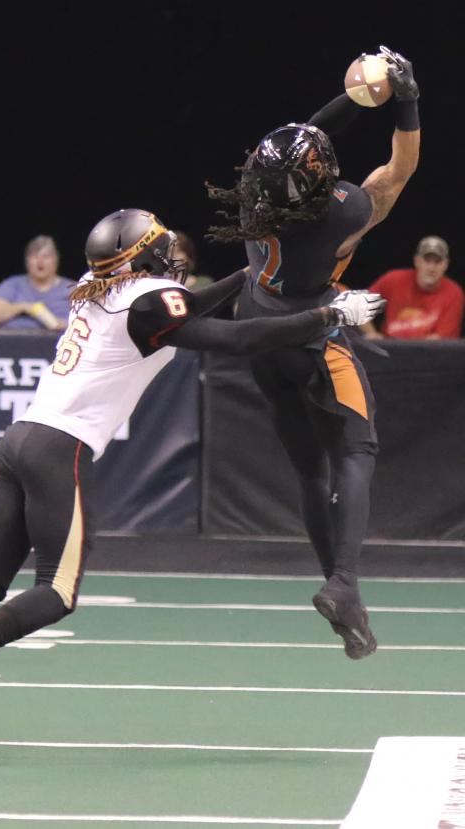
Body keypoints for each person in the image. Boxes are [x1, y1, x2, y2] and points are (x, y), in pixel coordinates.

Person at [0, 208, 383, 759]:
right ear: (143, 260)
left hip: (21, 437)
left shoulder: (97, 286)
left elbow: (185, 312)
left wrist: (248, 275)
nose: (171, 255)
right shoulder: (150, 302)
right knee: (57, 592)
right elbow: (234, 338)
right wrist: (329, 315)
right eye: (160, 246)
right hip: (59, 448)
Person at [206, 46, 420, 659]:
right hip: (311, 334)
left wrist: (353, 100)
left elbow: (296, 143)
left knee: (308, 468)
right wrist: (404, 100)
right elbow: (399, 169)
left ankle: (336, 584)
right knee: (357, 447)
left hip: (258, 330)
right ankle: (345, 583)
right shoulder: (342, 211)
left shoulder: (255, 193)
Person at [362, 236, 464, 340]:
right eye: (427, 261)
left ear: (446, 264)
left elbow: (440, 343)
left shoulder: (454, 293)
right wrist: (372, 334)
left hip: (429, 353)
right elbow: (359, 305)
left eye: (437, 262)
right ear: (417, 261)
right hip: (389, 349)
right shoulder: (393, 279)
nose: (431, 268)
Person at [0, 235, 72, 330]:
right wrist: (25, 307)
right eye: (34, 257)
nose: (40, 262)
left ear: (56, 260)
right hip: (14, 340)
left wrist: (65, 325)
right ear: (27, 261)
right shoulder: (13, 284)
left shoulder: (72, 289)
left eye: (46, 257)